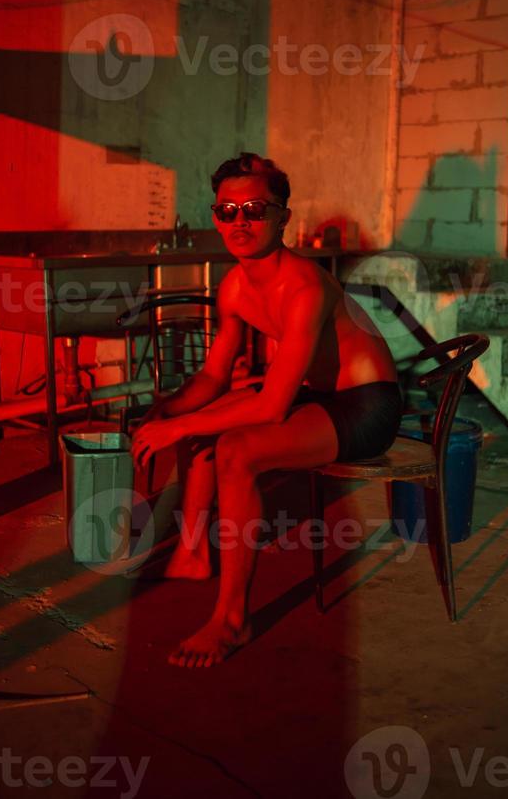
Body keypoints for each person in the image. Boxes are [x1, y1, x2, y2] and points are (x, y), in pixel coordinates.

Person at [131, 152, 402, 667]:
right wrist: (165, 414)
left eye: (255, 209)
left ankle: (232, 620)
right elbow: (212, 377)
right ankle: (191, 555)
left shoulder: (303, 286)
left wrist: (183, 425)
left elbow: (273, 405)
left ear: (283, 217)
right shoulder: (234, 288)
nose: (240, 221)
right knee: (205, 422)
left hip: (367, 406)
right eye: (226, 210)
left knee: (237, 448)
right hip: (317, 398)